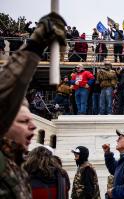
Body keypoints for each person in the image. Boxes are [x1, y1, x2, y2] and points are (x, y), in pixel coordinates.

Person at [0, 13, 66, 198]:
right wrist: (37, 42)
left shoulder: (16, 166)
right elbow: (8, 87)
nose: (33, 126)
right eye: (22, 121)